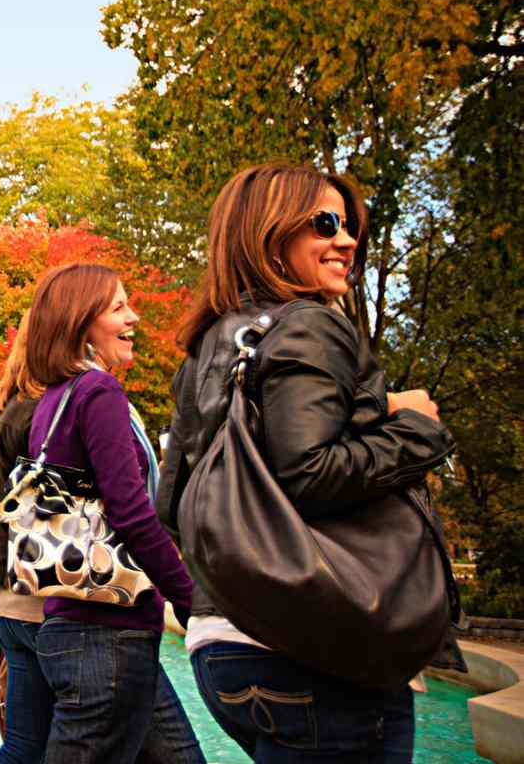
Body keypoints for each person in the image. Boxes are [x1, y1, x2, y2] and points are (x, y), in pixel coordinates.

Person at [158, 163, 453, 761]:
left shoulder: (208, 349)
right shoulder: (311, 326)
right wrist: (419, 429)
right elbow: (310, 471)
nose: (345, 240)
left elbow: (172, 505)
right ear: (269, 234)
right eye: (324, 224)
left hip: (224, 642)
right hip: (313, 641)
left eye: (347, 227)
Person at [10, 263, 205, 764]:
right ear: (82, 323)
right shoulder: (98, 394)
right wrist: (191, 600)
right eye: (118, 307)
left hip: (88, 631)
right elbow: (132, 514)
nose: (134, 316)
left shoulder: (55, 401)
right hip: (106, 641)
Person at [0, 315, 49, 764]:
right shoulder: (41, 414)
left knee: (25, 749)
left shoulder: (5, 411)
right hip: (45, 598)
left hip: (11, 598)